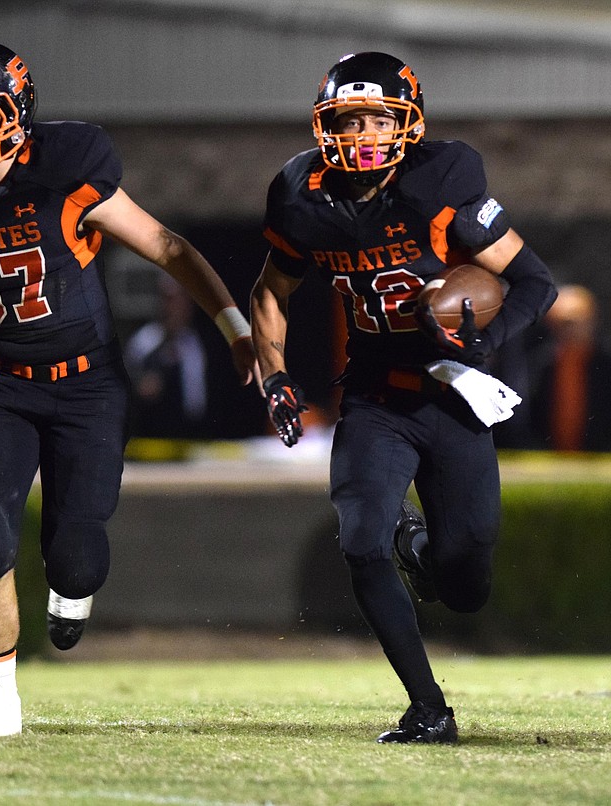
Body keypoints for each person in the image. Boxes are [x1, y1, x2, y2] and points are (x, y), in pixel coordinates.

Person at [0, 40, 258, 737]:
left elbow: (167, 246)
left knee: (78, 558)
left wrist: (235, 326)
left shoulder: (66, 168)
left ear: (15, 114)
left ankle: (70, 588)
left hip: (86, 384)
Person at [250, 51, 556, 744]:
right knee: (359, 541)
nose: (360, 134)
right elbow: (271, 289)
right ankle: (429, 708)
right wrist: (272, 371)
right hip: (374, 397)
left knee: (466, 586)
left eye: (375, 119)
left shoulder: (441, 183)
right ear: (325, 125)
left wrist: (484, 340)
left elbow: (537, 284)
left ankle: (419, 543)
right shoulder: (302, 194)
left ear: (407, 124)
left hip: (451, 396)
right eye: (347, 120)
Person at [528, 284, 611, 451]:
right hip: (551, 455)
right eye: (557, 322)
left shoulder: (605, 361)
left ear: (591, 319)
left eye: (571, 322)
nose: (565, 329)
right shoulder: (541, 362)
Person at [125, 275, 209, 438]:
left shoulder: (194, 345)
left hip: (186, 435)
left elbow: (196, 401)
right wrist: (140, 386)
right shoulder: (144, 340)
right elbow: (125, 382)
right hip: (148, 434)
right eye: (168, 300)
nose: (173, 307)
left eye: (179, 301)